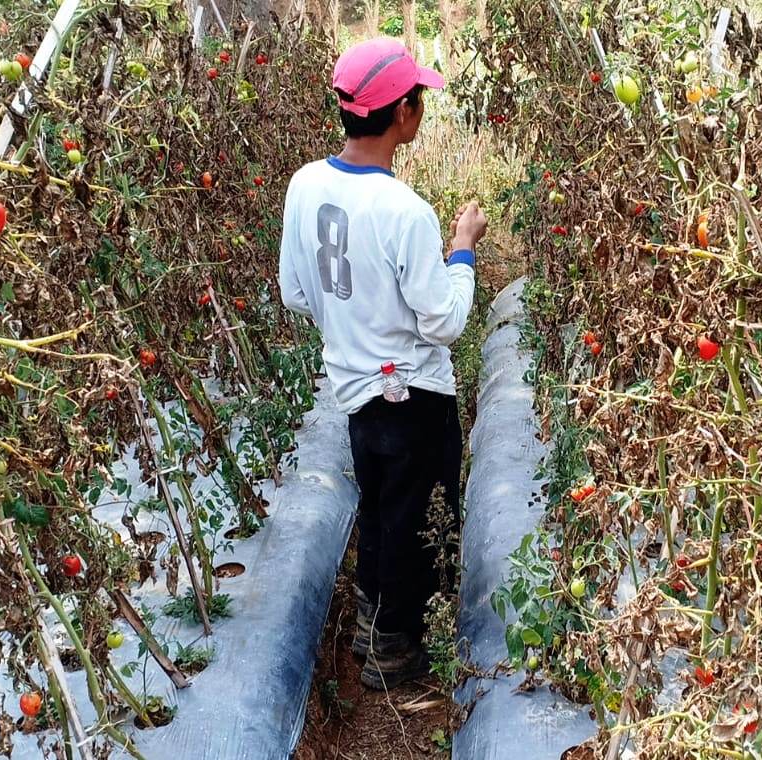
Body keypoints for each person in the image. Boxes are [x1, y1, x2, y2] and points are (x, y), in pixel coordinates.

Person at [277, 37, 488, 690]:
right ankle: (394, 651)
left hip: (355, 388)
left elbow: (295, 293)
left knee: (379, 507)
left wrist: (354, 324)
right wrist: (463, 251)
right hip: (414, 394)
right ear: (403, 113)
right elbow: (445, 322)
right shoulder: (406, 213)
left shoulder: (307, 184)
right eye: (418, 98)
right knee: (421, 520)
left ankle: (371, 624)